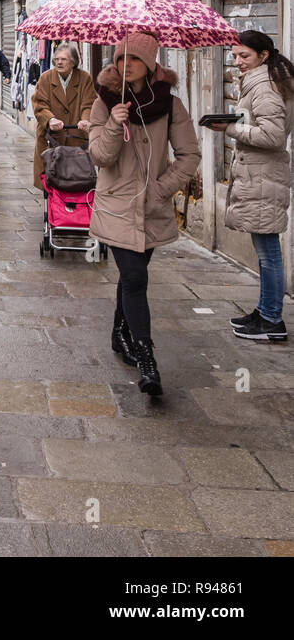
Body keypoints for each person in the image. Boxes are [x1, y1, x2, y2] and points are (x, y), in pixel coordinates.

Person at [89, 32, 201, 395]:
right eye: (121, 59)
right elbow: (100, 157)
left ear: (150, 63)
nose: (125, 65)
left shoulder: (170, 105)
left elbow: (189, 156)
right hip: (116, 203)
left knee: (131, 275)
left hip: (151, 205)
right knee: (136, 278)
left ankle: (120, 333)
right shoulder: (106, 101)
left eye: (134, 59)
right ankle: (147, 358)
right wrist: (112, 123)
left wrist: (160, 189)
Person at [206, 29, 293, 342]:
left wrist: (231, 129)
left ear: (263, 55)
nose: (238, 61)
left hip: (264, 178)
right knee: (265, 252)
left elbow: (273, 136)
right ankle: (264, 310)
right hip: (259, 176)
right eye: (235, 55)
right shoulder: (262, 81)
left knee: (269, 253)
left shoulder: (265, 86)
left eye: (244, 55)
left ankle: (271, 320)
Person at [30, 43, 95, 189]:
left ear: (73, 61)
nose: (59, 62)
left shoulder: (84, 78)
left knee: (76, 181)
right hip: (51, 138)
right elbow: (39, 104)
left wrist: (85, 119)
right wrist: (50, 119)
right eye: (56, 59)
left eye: (64, 59)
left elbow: (89, 103)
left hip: (76, 137)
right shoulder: (45, 78)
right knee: (50, 181)